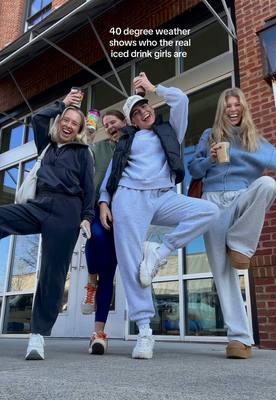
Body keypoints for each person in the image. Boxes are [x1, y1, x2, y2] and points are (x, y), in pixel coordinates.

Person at [99, 72, 220, 359]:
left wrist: (154, 88)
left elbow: (181, 100)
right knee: (129, 262)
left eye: (146, 106)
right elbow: (111, 174)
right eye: (137, 112)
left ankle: (159, 251)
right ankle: (144, 332)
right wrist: (104, 200)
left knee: (209, 211)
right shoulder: (126, 142)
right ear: (131, 121)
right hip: (129, 197)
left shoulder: (170, 131)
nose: (144, 111)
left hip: (164, 195)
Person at [188, 87, 276, 359]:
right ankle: (239, 339)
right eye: (228, 105)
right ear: (222, 109)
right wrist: (208, 159)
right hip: (212, 203)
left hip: (242, 198)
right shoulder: (209, 136)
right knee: (222, 273)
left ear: (244, 108)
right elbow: (193, 169)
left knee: (267, 183)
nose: (233, 109)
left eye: (237, 104)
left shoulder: (257, 142)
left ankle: (240, 243)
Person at [0, 90, 95, 360]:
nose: (68, 125)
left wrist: (86, 216)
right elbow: (40, 118)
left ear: (78, 130)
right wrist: (63, 103)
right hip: (39, 204)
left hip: (67, 212)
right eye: (66, 120)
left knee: (52, 273)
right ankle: (38, 334)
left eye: (74, 124)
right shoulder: (47, 145)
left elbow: (89, 189)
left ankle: (38, 336)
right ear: (61, 121)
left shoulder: (82, 153)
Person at [81, 110, 126, 355]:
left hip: (125, 214)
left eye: (113, 122)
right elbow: (81, 158)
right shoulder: (97, 148)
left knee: (109, 273)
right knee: (94, 236)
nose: (109, 126)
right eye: (106, 124)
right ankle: (90, 282)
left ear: (124, 123)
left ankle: (98, 334)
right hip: (98, 207)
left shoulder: (133, 144)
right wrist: (87, 137)